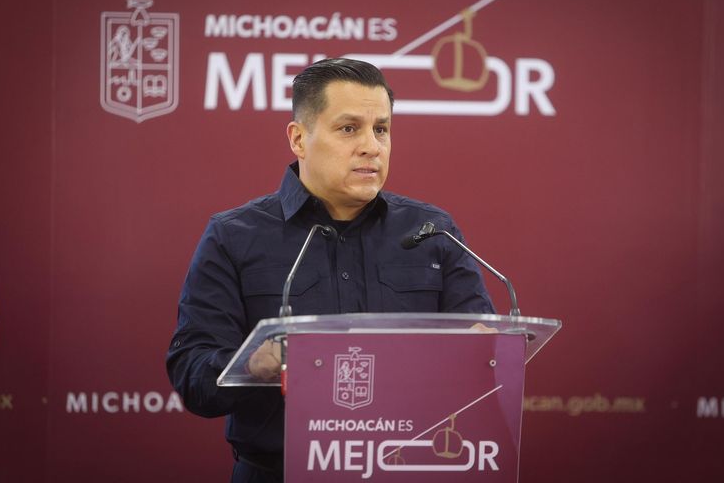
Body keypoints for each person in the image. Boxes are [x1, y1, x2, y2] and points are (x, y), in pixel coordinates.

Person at [166, 58, 494, 483]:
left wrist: (486, 350)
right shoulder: (234, 236)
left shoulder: (433, 231)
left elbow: (485, 356)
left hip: (411, 468)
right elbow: (192, 374)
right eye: (349, 128)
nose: (371, 146)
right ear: (299, 138)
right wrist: (253, 364)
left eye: (381, 129)